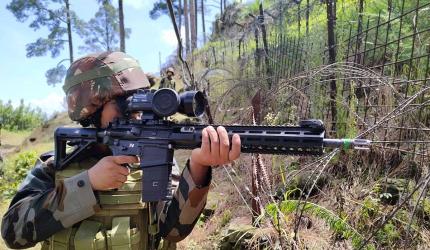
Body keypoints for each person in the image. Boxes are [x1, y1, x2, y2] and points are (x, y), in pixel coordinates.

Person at [1, 52, 241, 249]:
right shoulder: (56, 165)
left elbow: (173, 231)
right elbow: (13, 233)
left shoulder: (153, 157)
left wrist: (199, 166)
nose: (136, 111)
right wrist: (88, 183)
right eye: (125, 104)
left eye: (139, 98)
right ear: (90, 109)